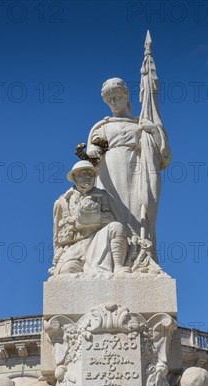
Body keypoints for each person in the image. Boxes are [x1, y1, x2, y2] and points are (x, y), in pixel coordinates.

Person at [85, 78, 171, 247]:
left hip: (135, 172)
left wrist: (153, 131)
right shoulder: (103, 126)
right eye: (109, 100)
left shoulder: (140, 124)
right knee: (110, 211)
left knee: (136, 208)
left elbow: (164, 157)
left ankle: (138, 248)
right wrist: (92, 151)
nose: (113, 102)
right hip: (108, 172)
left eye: (116, 97)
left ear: (126, 96)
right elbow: (93, 150)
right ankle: (112, 250)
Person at [51, 160, 129, 276]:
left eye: (90, 174)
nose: (87, 177)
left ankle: (118, 266)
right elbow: (57, 237)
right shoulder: (62, 202)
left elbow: (121, 223)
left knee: (117, 227)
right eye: (83, 174)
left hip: (100, 239)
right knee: (66, 271)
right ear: (74, 177)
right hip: (76, 246)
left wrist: (100, 219)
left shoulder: (105, 197)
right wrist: (57, 259)